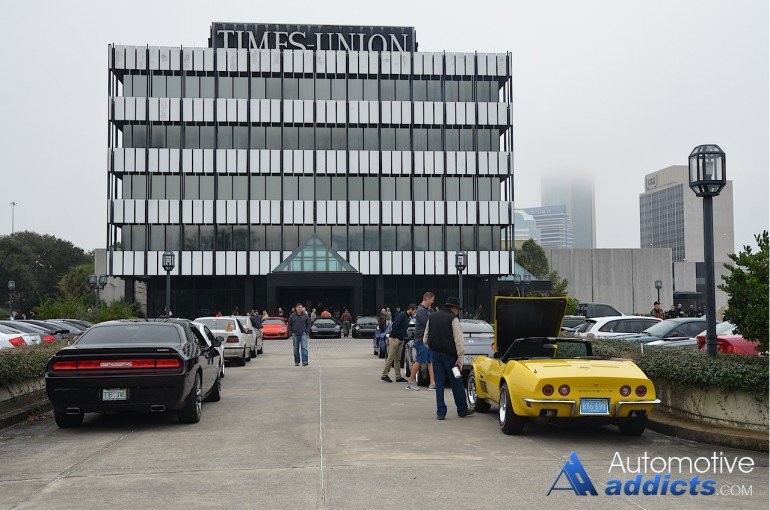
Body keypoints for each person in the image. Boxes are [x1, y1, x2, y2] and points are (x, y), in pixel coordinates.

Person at [424, 297, 473, 420]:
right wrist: (460, 358)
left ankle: (441, 412)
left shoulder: (432, 317)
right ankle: (462, 409)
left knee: (439, 383)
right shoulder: (453, 319)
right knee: (457, 381)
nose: (457, 312)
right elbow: (459, 340)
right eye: (457, 309)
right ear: (454, 308)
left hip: (436, 355)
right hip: (451, 358)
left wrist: (433, 348)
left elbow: (425, 338)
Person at [406, 292, 436, 391]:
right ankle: (410, 383)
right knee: (419, 361)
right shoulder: (421, 311)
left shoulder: (427, 310)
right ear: (427, 299)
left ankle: (432, 383)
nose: (432, 302)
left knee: (430, 361)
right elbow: (429, 324)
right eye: (432, 300)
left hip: (426, 341)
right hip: (421, 341)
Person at [380, 304, 416, 382]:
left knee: (398, 359)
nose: (414, 313)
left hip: (401, 340)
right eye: (414, 311)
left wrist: (405, 337)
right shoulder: (402, 315)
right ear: (411, 309)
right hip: (394, 339)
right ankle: (384, 375)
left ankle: (398, 376)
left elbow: (403, 328)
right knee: (391, 358)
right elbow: (395, 325)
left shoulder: (408, 317)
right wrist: (396, 337)